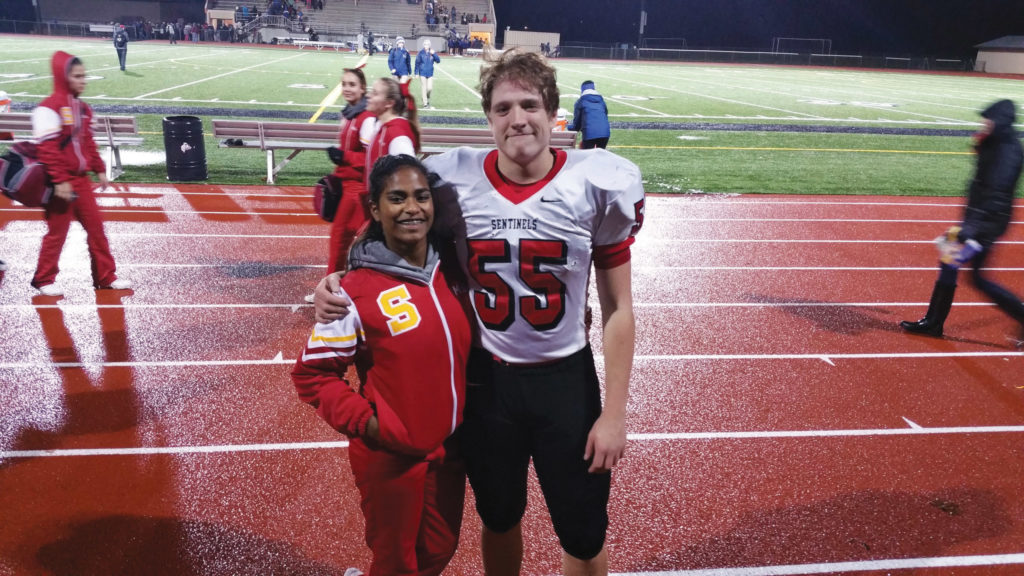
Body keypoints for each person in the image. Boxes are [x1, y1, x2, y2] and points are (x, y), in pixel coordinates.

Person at [315, 50, 644, 575]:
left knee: (582, 535)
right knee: (498, 516)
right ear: (488, 117)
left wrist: (616, 413)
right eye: (503, 108)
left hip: (566, 382)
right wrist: (337, 281)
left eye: (530, 105)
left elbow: (618, 307)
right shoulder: (454, 180)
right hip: (487, 384)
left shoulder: (597, 184)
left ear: (552, 111)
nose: (519, 119)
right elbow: (389, 225)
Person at [292, 154, 471, 576]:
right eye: (397, 198)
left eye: (421, 197)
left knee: (440, 549)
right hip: (390, 458)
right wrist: (373, 425)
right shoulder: (353, 292)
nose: (412, 208)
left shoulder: (454, 270)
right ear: (375, 208)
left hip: (448, 451)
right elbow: (311, 375)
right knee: (395, 562)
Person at [901, 98, 1024, 340]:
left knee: (976, 277)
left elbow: (996, 191)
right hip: (980, 219)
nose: (984, 123)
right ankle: (933, 323)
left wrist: (973, 226)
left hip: (986, 222)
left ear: (998, 120)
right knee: (952, 263)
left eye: (988, 119)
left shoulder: (1007, 149)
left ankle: (934, 323)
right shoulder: (998, 143)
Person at [30, 51, 131, 296]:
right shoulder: (48, 108)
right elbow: (47, 149)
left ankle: (105, 277)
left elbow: (88, 142)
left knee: (96, 229)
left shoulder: (83, 108)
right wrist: (60, 180)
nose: (83, 80)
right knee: (57, 233)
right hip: (59, 184)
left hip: (81, 180)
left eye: (84, 76)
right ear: (63, 77)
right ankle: (44, 279)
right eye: (77, 76)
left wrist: (99, 169)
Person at [304, 67, 376, 303]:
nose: (347, 88)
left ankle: (330, 292)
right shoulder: (350, 114)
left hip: (357, 190)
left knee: (341, 240)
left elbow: (370, 158)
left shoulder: (365, 118)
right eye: (344, 83)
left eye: (352, 84)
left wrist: (343, 157)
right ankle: (349, 287)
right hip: (348, 186)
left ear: (362, 89)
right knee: (353, 241)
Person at [361, 77, 420, 180]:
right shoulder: (381, 126)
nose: (368, 95)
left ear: (389, 103)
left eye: (374, 93)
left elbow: (408, 178)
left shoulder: (397, 135)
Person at [568, 80, 610, 149]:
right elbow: (605, 115)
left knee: (587, 156)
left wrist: (569, 127)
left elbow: (577, 124)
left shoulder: (580, 102)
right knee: (601, 156)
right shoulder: (601, 101)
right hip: (605, 133)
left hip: (589, 134)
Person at [414, 39, 441, 109]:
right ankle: (425, 103)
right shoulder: (420, 53)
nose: (426, 46)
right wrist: (416, 73)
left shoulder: (432, 52)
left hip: (430, 73)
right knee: (424, 88)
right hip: (422, 73)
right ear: (423, 45)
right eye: (425, 44)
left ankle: (426, 97)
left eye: (428, 44)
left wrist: (434, 54)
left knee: (429, 88)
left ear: (430, 45)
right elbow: (417, 63)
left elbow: (438, 61)